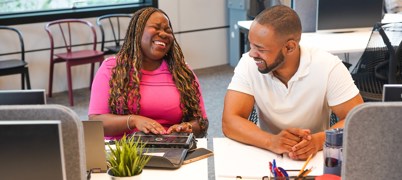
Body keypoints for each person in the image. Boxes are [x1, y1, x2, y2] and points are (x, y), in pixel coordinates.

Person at [222, 5, 363, 160]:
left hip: (315, 154)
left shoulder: (329, 66)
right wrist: (272, 141)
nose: (252, 54)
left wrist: (318, 141)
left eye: (260, 49)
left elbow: (358, 121)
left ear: (289, 47)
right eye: (251, 45)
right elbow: (229, 122)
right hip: (266, 151)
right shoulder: (249, 64)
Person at [88, 7, 208, 139]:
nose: (163, 34)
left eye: (168, 31)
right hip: (125, 152)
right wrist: (133, 121)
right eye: (156, 28)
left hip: (172, 149)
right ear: (137, 32)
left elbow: (201, 123)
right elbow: (96, 123)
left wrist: (187, 128)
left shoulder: (183, 73)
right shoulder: (112, 69)